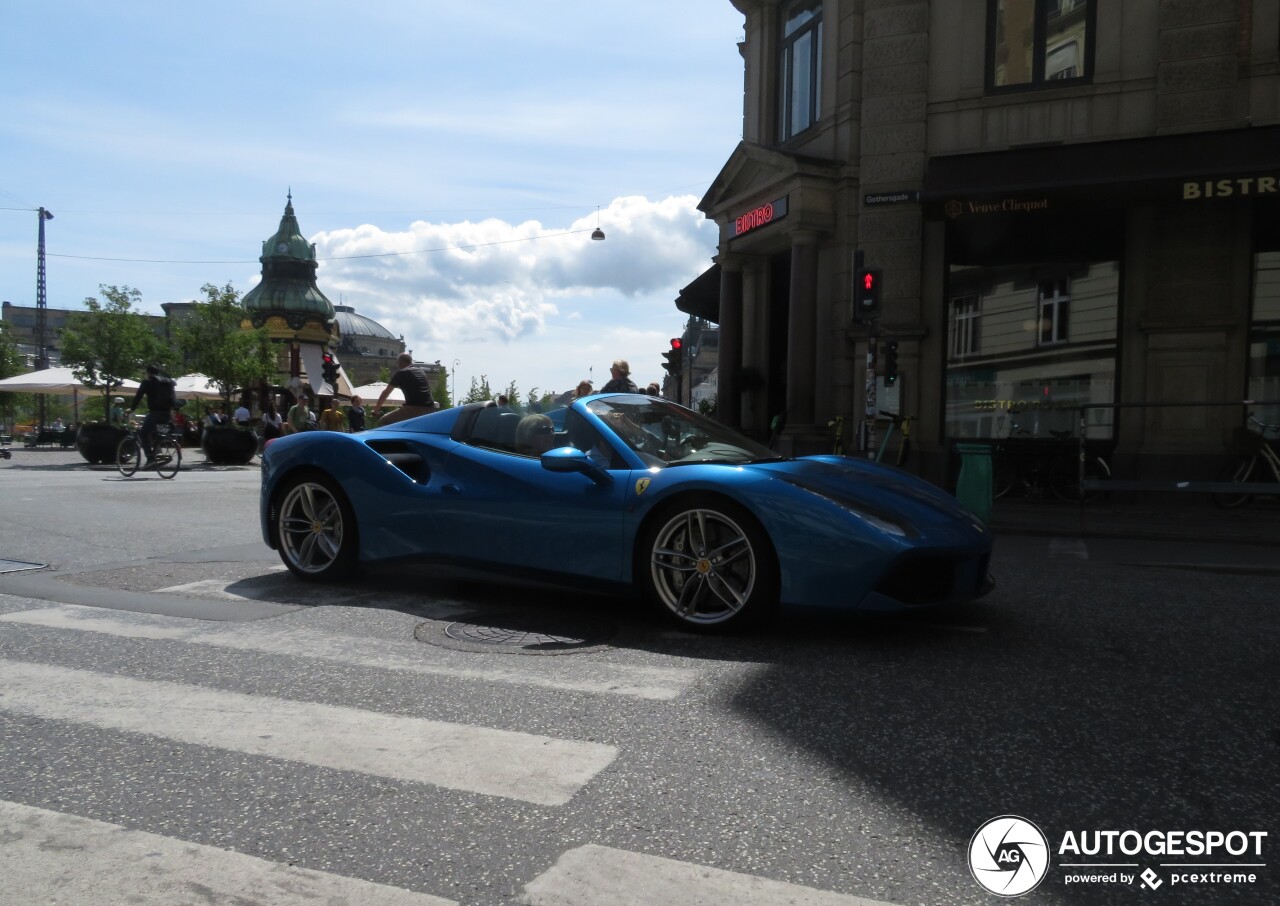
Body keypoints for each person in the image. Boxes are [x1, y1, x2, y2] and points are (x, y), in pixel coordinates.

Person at [128, 364, 177, 465]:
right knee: (155, 433)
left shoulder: (147, 382)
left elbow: (138, 396)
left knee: (143, 434)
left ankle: (150, 458)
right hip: (167, 413)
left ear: (148, 373)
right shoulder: (167, 382)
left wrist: (131, 409)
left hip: (155, 413)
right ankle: (157, 452)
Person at [374, 353, 436, 426]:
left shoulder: (401, 373)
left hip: (413, 409)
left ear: (400, 362)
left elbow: (386, 393)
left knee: (384, 421)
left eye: (397, 362)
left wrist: (376, 410)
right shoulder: (421, 371)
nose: (396, 365)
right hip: (430, 409)